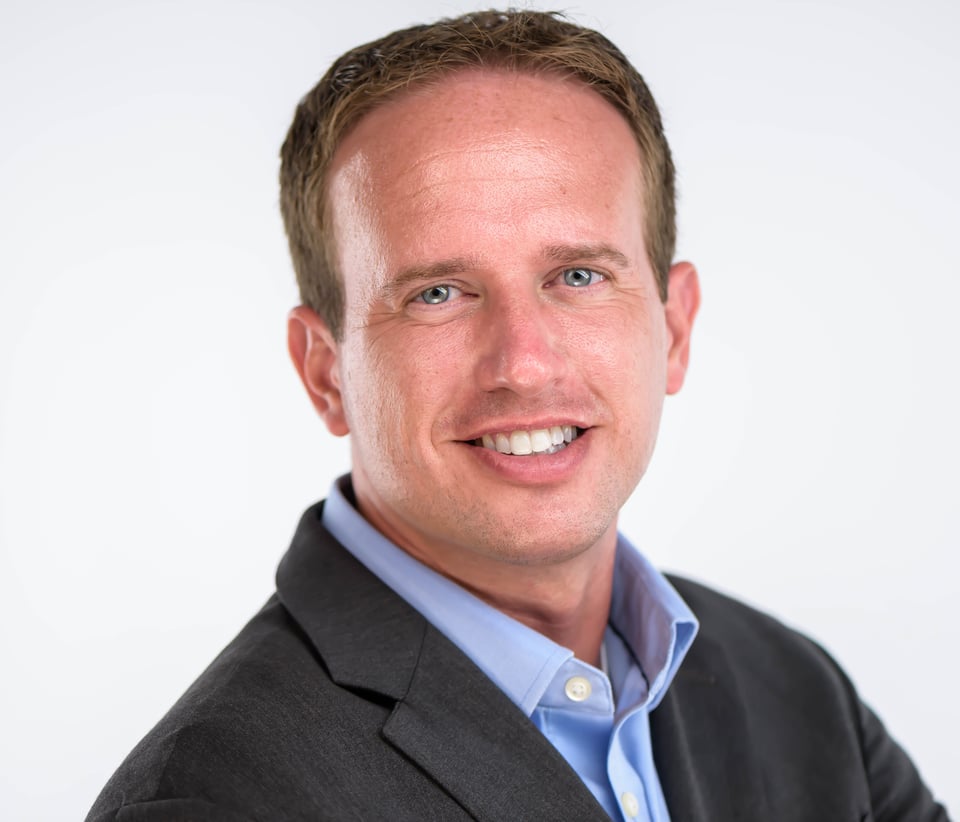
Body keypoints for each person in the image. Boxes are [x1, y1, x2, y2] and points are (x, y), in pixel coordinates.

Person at [86, 9, 948, 821]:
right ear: (326, 374)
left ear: (673, 328)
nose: (524, 361)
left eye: (578, 276)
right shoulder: (217, 795)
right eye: (437, 293)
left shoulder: (793, 690)